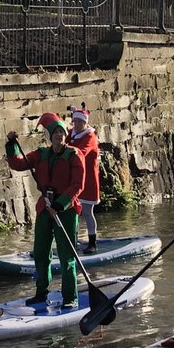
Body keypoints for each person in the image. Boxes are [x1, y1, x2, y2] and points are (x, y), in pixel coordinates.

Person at [5, 112, 86, 307]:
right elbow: (17, 163)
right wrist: (12, 144)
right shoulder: (41, 154)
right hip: (44, 209)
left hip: (65, 210)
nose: (59, 135)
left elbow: (77, 185)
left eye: (62, 132)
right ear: (49, 136)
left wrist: (60, 205)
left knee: (66, 256)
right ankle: (41, 292)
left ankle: (70, 298)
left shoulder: (74, 156)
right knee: (40, 253)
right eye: (55, 133)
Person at [66, 104, 101, 252]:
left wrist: (65, 150)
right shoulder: (71, 134)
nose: (78, 124)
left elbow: (82, 152)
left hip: (88, 180)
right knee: (72, 211)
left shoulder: (90, 136)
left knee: (87, 211)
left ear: (86, 123)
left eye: (81, 122)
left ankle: (92, 243)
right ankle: (72, 241)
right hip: (74, 178)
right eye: (76, 121)